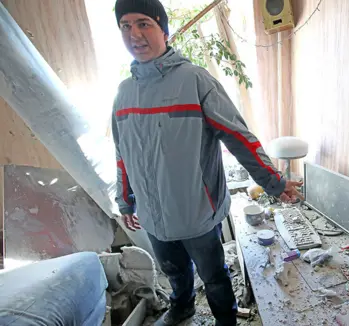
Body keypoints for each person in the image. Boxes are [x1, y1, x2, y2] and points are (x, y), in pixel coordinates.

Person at [112, 0, 302, 325]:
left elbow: (238, 136)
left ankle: (225, 320)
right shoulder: (124, 92)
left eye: (144, 23)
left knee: (214, 276)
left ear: (164, 30)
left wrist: (274, 181)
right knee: (174, 271)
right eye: (126, 26)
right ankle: (182, 307)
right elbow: (123, 152)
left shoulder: (194, 80)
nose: (135, 34)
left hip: (197, 212)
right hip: (153, 215)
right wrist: (127, 201)